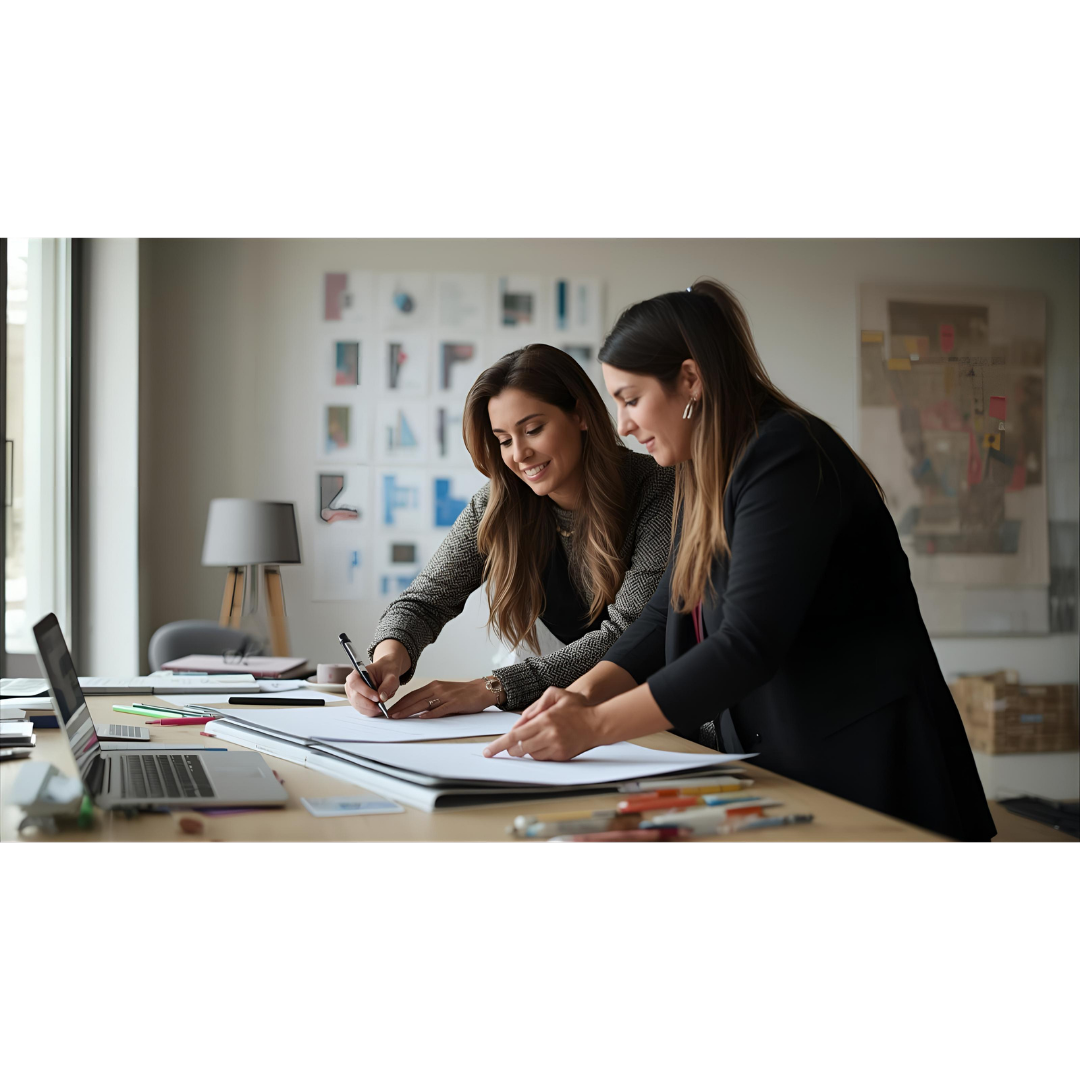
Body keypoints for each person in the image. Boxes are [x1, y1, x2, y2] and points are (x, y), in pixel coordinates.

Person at [485, 281, 996, 841]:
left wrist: (594, 726)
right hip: (781, 759)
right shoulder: (705, 470)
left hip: (866, 763)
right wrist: (580, 695)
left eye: (630, 399)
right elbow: (664, 614)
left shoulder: (787, 455)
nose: (623, 425)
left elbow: (747, 643)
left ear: (690, 380)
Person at [345, 343, 674, 719]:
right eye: (503, 440)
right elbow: (425, 601)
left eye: (533, 429)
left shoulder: (659, 490)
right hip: (566, 717)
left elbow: (629, 637)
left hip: (656, 717)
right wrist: (388, 658)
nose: (519, 454)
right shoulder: (497, 505)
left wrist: (493, 688)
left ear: (580, 414)